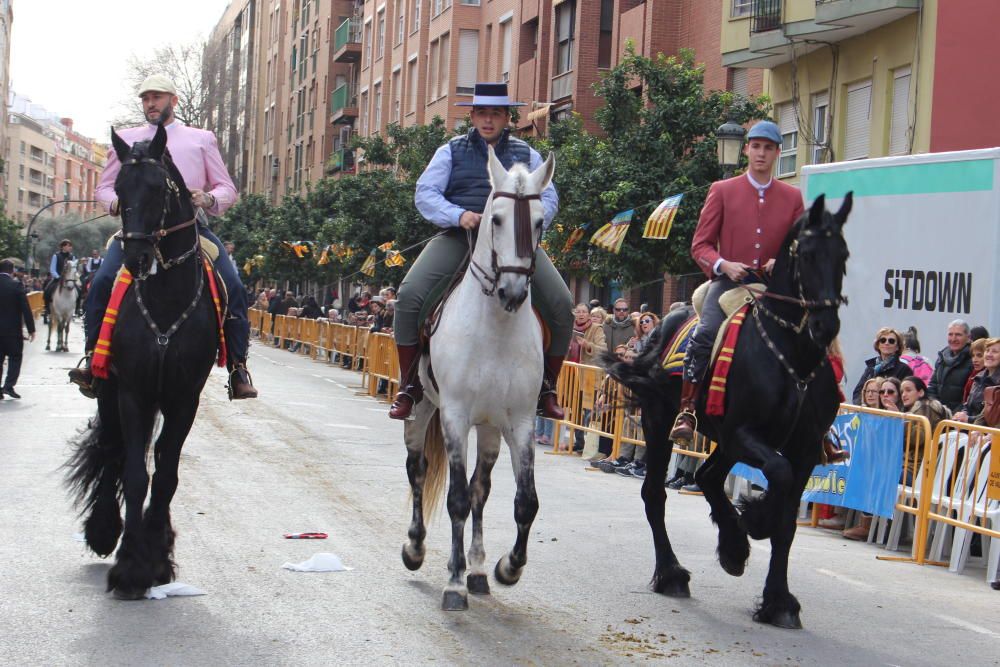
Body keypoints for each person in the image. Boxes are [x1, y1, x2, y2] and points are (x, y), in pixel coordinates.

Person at [391, 81, 572, 420]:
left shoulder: (527, 154)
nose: (489, 120)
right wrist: (459, 215)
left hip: (513, 244)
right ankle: (409, 385)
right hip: (460, 237)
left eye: (497, 114)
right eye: (483, 113)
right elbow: (425, 193)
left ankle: (547, 387)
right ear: (472, 116)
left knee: (562, 304)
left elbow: (549, 197)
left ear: (507, 117)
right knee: (410, 295)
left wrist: (527, 223)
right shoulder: (451, 151)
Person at [69, 74, 256, 399]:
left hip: (190, 230)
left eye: (157, 97)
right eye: (146, 98)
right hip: (138, 231)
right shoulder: (126, 140)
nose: (151, 104)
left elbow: (227, 188)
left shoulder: (201, 138)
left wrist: (208, 199)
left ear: (174, 100)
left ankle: (238, 368)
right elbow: (104, 187)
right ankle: (91, 360)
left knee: (234, 286)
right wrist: (115, 202)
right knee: (100, 283)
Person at [670, 120, 805, 444]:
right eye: (756, 146)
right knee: (704, 335)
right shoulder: (722, 190)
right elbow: (699, 245)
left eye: (768, 148)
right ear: (746, 149)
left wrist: (784, 261)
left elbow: (802, 245)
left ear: (777, 153)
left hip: (775, 291)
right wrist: (723, 264)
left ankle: (820, 425)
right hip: (731, 285)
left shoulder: (793, 197)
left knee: (817, 340)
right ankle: (687, 409)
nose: (761, 153)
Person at [0, 259, 36, 399]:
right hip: (13, 331)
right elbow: (26, 309)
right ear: (12, 270)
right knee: (15, 357)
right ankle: (9, 386)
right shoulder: (16, 286)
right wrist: (31, 329)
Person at [850, 327, 912, 404]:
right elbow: (857, 392)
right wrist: (862, 408)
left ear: (897, 347)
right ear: (878, 345)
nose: (886, 343)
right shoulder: (870, 367)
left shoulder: (904, 369)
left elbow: (904, 396)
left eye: (891, 341)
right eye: (883, 340)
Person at [927, 320, 973, 412]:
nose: (953, 339)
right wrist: (937, 408)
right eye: (950, 334)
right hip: (939, 416)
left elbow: (970, 396)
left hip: (957, 420)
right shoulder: (942, 357)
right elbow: (932, 386)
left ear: (968, 338)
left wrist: (952, 416)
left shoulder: (973, 360)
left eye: (958, 335)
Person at [953, 337, 1000, 425]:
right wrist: (963, 414)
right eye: (987, 350)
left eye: (994, 351)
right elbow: (968, 404)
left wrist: (968, 419)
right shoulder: (978, 377)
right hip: (971, 429)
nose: (989, 354)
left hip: (988, 433)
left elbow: (990, 416)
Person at [42, 239, 76, 322]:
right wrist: (58, 277)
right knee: (47, 290)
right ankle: (47, 309)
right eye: (68, 245)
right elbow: (52, 269)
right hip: (58, 279)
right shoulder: (56, 256)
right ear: (62, 247)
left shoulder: (72, 257)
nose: (70, 247)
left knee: (78, 290)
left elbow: (74, 269)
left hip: (69, 279)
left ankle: (76, 309)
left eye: (70, 246)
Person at [962, 337, 987, 404]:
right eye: (973, 356)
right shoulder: (973, 375)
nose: (974, 360)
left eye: (979, 355)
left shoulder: (989, 378)